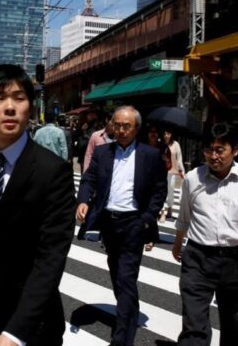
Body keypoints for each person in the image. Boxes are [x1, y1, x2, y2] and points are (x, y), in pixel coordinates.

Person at [0, 64, 76, 345]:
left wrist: (16, 331)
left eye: (19, 99)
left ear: (30, 108)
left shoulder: (52, 170)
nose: (10, 108)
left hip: (29, 323)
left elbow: (51, 257)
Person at [172, 123, 238, 346]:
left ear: (234, 150)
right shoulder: (192, 178)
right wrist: (178, 244)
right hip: (198, 258)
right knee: (193, 327)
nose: (213, 155)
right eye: (209, 149)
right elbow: (184, 218)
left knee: (236, 329)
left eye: (220, 149)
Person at [76, 106, 167, 346]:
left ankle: (122, 338)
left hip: (134, 222)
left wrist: (147, 218)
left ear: (136, 128)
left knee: (127, 278)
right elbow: (89, 178)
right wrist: (83, 201)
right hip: (109, 221)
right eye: (116, 125)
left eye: (126, 126)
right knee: (117, 275)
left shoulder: (150, 154)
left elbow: (160, 190)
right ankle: (128, 314)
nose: (121, 130)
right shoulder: (103, 152)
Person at [161, 130, 185, 222]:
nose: (166, 135)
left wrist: (181, 170)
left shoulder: (176, 144)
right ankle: (163, 211)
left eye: (168, 133)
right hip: (162, 171)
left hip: (173, 171)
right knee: (163, 191)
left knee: (170, 191)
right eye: (165, 133)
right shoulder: (161, 144)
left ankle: (170, 208)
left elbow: (179, 158)